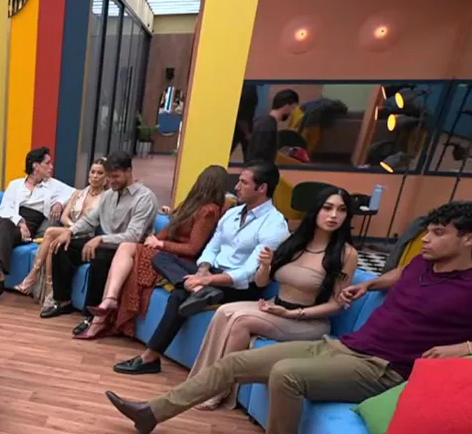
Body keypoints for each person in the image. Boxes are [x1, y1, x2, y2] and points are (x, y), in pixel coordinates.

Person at [105, 201, 472, 434]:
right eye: (429, 230)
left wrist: (466, 349)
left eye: (439, 233)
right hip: (344, 348)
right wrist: (370, 285)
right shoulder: (423, 265)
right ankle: (153, 413)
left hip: (382, 369)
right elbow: (399, 275)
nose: (426, 238)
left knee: (286, 375)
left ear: (470, 239)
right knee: (236, 362)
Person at [185, 186, 358, 409]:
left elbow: (336, 305)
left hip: (308, 321)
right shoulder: (296, 242)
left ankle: (219, 388)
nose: (334, 215)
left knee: (240, 320)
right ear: (316, 210)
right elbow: (261, 283)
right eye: (328, 208)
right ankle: (202, 382)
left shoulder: (347, 254)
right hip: (276, 308)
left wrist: (294, 313)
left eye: (341, 210)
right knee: (224, 311)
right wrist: (265, 266)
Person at [113, 159, 289, 376]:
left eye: (243, 182)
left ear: (262, 188)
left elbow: (248, 272)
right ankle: (195, 289)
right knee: (159, 257)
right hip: (211, 274)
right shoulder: (232, 214)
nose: (236, 187)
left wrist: (207, 280)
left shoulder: (275, 224)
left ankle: (149, 358)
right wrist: (203, 269)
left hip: (239, 286)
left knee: (179, 295)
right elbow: (212, 247)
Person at [82, 164, 229, 341]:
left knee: (126, 252)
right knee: (126, 248)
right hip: (166, 253)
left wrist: (160, 244)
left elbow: (193, 248)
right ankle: (108, 302)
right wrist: (152, 241)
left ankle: (102, 315)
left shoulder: (208, 211)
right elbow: (169, 230)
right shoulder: (190, 205)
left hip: (179, 259)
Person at [36, 151, 157, 319]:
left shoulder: (144, 198)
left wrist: (100, 239)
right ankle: (62, 301)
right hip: (105, 243)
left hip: (127, 249)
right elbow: (90, 220)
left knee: (100, 258)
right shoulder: (108, 195)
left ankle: (91, 316)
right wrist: (70, 231)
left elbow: (133, 236)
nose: (111, 181)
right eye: (109, 177)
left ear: (129, 171)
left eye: (116, 176)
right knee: (62, 246)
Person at [0, 147, 74, 307]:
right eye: (47, 163)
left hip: (30, 228)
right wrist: (20, 222)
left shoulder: (53, 185)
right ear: (35, 166)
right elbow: (4, 209)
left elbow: (77, 193)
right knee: (2, 226)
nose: (51, 167)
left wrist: (60, 203)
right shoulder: (15, 185)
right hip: (13, 223)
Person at [13, 158, 109, 304]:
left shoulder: (106, 198)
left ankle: (33, 277)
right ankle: (49, 291)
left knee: (50, 232)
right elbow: (64, 216)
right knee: (53, 243)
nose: (95, 176)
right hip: (69, 230)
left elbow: (96, 223)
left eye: (100, 173)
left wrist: (74, 229)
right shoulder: (78, 193)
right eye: (93, 172)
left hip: (86, 235)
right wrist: (72, 227)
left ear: (106, 177)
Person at [245, 88, 299, 163]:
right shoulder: (266, 125)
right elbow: (259, 154)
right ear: (286, 106)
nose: (292, 112)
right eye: (293, 107)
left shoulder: (267, 122)